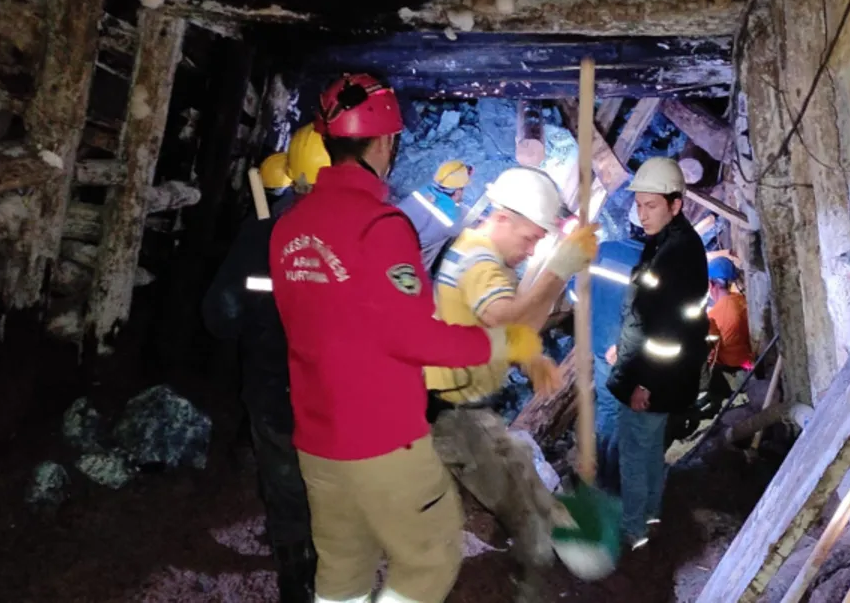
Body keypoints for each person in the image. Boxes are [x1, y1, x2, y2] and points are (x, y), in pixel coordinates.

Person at [268, 72, 549, 603]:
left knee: (342, 570)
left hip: (317, 440)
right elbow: (414, 338)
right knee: (430, 559)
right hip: (382, 441)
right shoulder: (382, 225)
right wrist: (500, 344)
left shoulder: (289, 229)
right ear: (384, 143)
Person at [424, 165, 597, 601]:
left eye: (539, 241)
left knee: (518, 478)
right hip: (454, 413)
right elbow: (506, 316)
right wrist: (559, 269)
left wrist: (530, 356)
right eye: (529, 238)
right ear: (502, 218)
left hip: (460, 405)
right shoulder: (480, 261)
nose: (531, 248)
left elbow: (510, 326)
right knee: (523, 507)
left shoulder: (484, 255)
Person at [200, 133, 332, 603]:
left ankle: (298, 582)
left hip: (277, 397)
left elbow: (220, 318)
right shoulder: (373, 236)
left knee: (287, 489)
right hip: (342, 403)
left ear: (294, 178)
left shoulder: (261, 237)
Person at [604, 157, 709, 549]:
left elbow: (667, 331)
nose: (642, 214)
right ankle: (648, 514)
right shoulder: (667, 242)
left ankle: (633, 531)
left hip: (655, 375)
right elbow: (649, 311)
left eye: (651, 205)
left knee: (635, 450)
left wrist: (645, 382)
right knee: (648, 448)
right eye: (639, 205)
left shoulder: (677, 254)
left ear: (675, 204)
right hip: (656, 370)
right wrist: (625, 346)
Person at [395, 160, 473, 272]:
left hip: (385, 247)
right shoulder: (453, 220)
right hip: (408, 270)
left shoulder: (418, 194)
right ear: (458, 192)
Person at [704, 256, 753, 408]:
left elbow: (711, 354)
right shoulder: (742, 301)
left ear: (711, 284)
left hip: (731, 369)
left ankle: (717, 401)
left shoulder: (713, 316)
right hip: (749, 362)